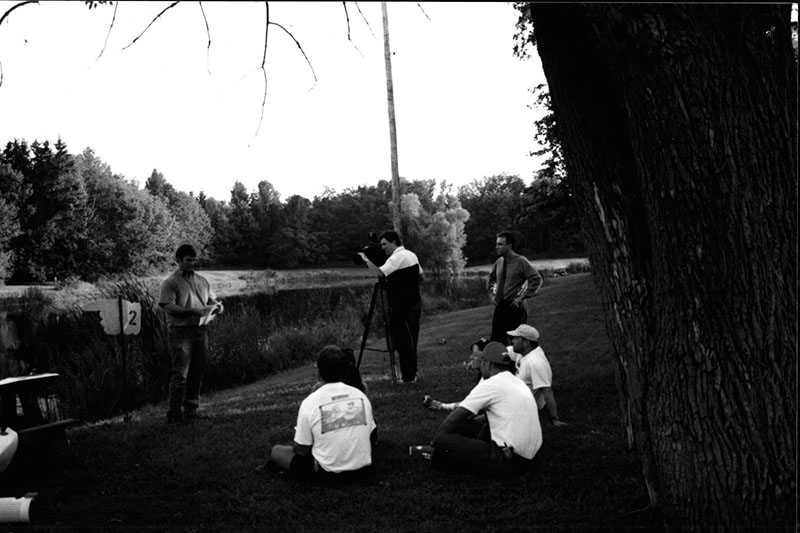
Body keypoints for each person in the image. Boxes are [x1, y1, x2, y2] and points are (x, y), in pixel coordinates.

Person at [413, 341, 542, 476]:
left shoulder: (491, 384)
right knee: (472, 424)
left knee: (443, 440)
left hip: (507, 460)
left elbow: (456, 416)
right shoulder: (516, 381)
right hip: (528, 457)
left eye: (482, 362)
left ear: (488, 364)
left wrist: (437, 441)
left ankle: (435, 456)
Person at [268, 345, 378, 482]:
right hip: (364, 471)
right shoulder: (361, 396)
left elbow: (301, 450)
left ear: (319, 373)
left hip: (328, 475)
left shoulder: (311, 402)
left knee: (277, 451)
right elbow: (372, 434)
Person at [159, 244, 223, 424]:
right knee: (180, 374)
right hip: (180, 333)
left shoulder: (202, 280)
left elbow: (213, 299)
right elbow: (168, 306)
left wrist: (218, 306)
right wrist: (193, 311)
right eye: (188, 260)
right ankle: (174, 415)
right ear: (178, 261)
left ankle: (191, 411)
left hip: (200, 330)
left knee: (197, 371)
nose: (192, 263)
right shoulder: (170, 282)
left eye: (194, 260)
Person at [359, 230, 424, 383]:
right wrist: (407, 284)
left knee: (402, 341)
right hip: (415, 301)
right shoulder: (411, 254)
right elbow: (422, 277)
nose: (382, 248)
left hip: (401, 304)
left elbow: (380, 273)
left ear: (394, 242)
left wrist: (366, 259)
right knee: (412, 339)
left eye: (384, 244)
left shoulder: (396, 258)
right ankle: (411, 374)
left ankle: (408, 378)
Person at [487, 231, 543, 344]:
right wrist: (492, 296)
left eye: (500, 244)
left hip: (515, 306)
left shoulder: (521, 261)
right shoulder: (499, 262)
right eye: (497, 244)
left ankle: (518, 362)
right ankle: (500, 361)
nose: (496, 247)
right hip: (501, 306)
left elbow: (536, 279)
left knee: (517, 343)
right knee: (497, 342)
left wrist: (522, 296)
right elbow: (490, 279)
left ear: (509, 246)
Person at [506, 324, 567, 427]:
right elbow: (502, 351)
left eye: (516, 339)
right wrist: (480, 355)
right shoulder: (524, 352)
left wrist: (555, 419)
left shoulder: (536, 363)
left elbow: (547, 391)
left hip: (522, 404)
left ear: (526, 342)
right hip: (514, 394)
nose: (512, 341)